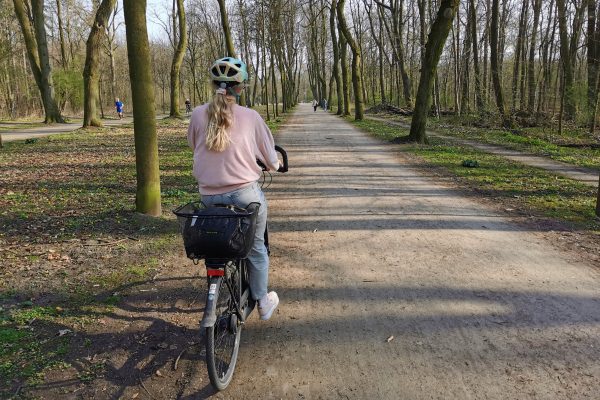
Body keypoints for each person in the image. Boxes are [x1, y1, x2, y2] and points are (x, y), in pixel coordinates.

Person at [187, 57, 281, 321]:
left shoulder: (196, 114)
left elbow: (194, 146)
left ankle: (216, 283)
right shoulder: (251, 117)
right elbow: (271, 160)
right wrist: (275, 163)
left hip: (208, 196)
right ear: (239, 88)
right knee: (256, 247)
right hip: (244, 194)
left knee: (217, 245)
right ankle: (262, 301)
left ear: (213, 84)